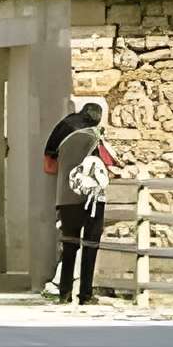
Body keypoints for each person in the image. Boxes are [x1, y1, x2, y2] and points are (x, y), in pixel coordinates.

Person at [47, 101, 122, 304]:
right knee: (90, 244)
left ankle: (64, 293)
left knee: (69, 245)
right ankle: (85, 294)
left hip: (65, 197)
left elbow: (49, 166)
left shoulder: (62, 132)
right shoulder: (94, 136)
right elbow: (112, 162)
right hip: (91, 197)